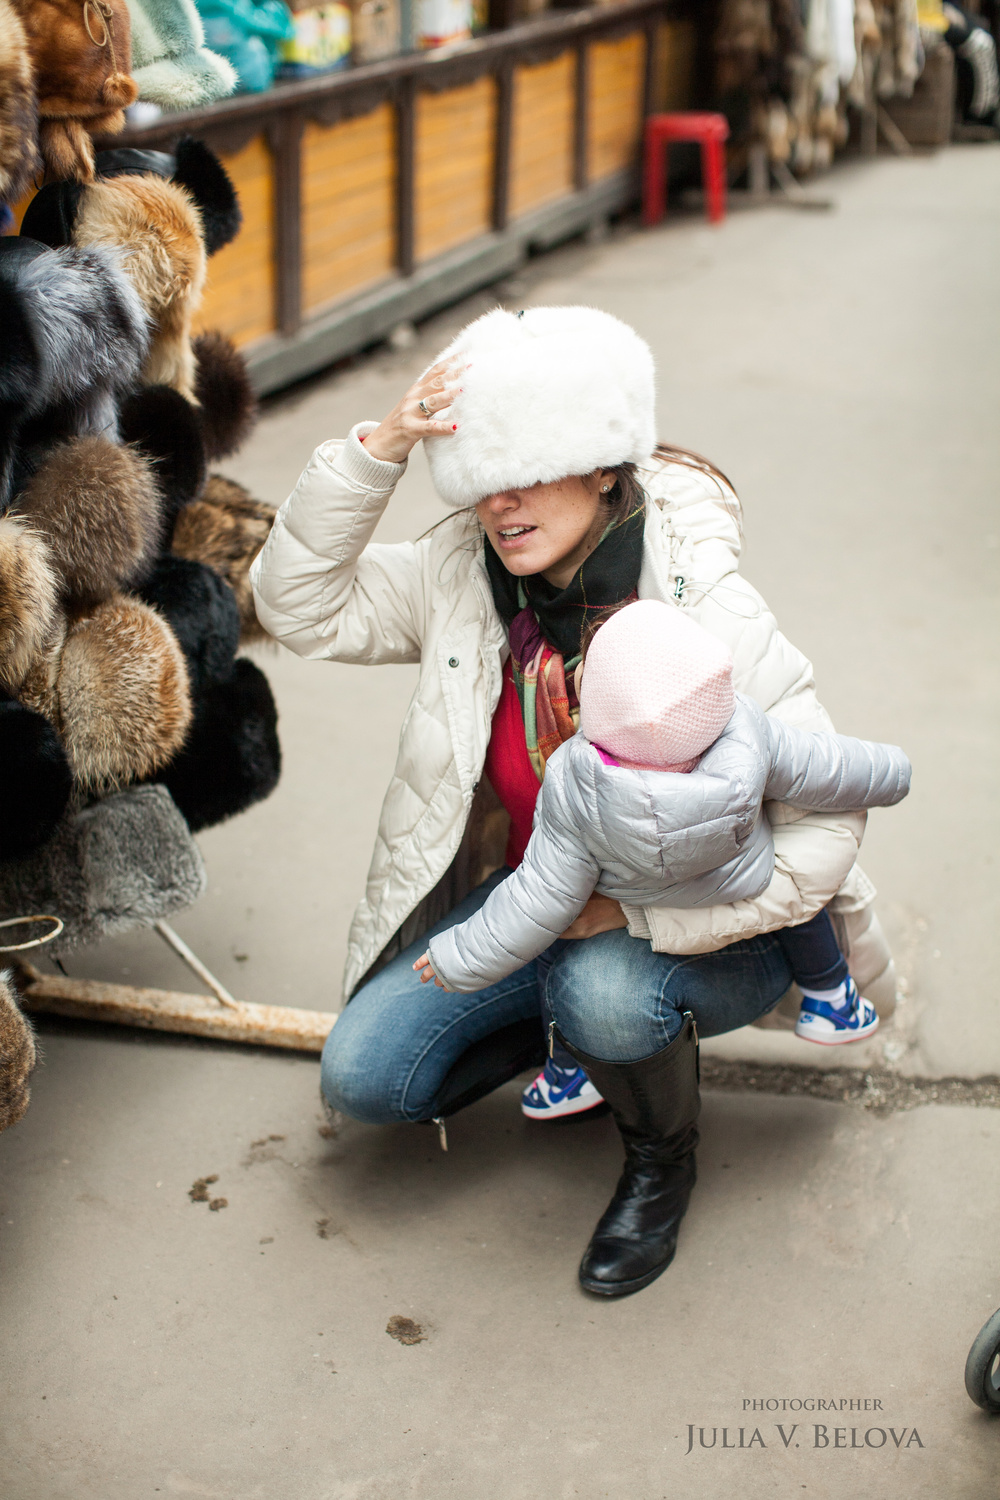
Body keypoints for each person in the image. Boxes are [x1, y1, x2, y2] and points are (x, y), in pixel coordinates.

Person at [250, 304, 892, 1300]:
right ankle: (578, 1037)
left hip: (715, 924)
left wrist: (630, 916)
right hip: (533, 903)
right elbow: (297, 604)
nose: (499, 505)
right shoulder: (461, 578)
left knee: (605, 986)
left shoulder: (700, 598)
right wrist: (376, 450)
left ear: (601, 464)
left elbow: (825, 833)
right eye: (478, 479)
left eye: (529, 467)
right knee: (367, 1080)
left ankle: (657, 1158)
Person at [413, 599, 911, 1061]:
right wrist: (897, 771)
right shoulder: (744, 733)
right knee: (797, 883)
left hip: (637, 897)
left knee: (557, 939)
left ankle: (565, 1069)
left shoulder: (575, 785)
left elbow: (533, 900)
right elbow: (828, 767)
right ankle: (830, 998)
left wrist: (458, 957)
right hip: (737, 879)